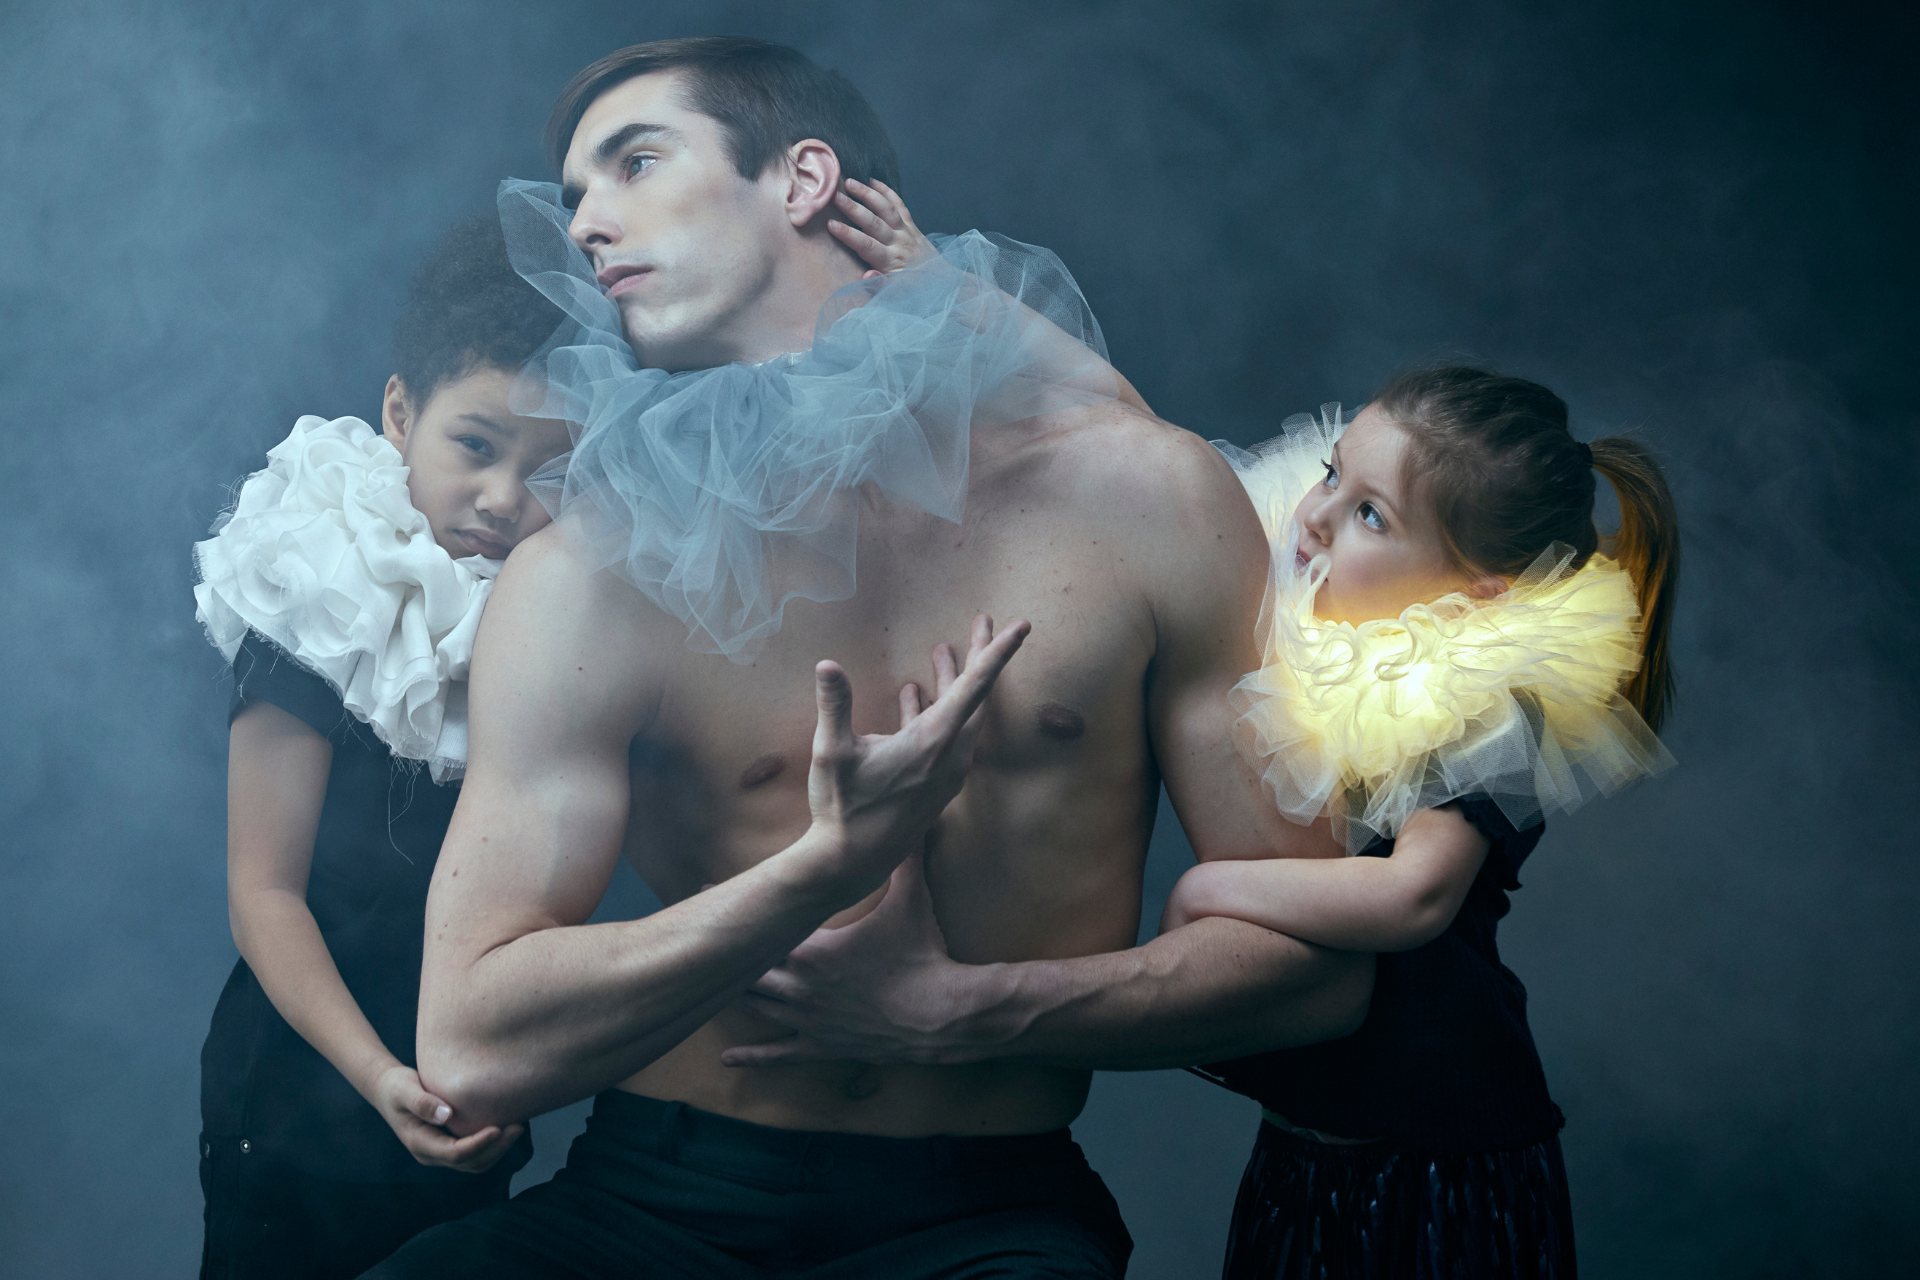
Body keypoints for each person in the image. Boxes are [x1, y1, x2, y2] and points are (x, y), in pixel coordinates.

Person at [371, 35, 1369, 1280]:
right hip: (651, 1198)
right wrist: (814, 869)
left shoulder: (1146, 494)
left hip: (986, 1212)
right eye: (573, 196)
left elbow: (1322, 972)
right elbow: (470, 1039)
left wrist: (973, 1013)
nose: (586, 224)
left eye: (634, 162)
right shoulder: (588, 567)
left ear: (800, 181)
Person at [742, 369, 1680, 1280]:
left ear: (1477, 596)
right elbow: (1161, 461)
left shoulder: (1477, 696)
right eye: (1331, 474)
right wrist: (937, 280)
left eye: (1369, 514)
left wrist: (1208, 887)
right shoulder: (1329, 613)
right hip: (1312, 1149)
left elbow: (1414, 894)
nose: (1314, 516)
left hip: (1437, 1153)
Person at [190, 212, 571, 1279]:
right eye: (477, 445)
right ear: (401, 413)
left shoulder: (549, 612)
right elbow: (263, 892)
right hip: (305, 1086)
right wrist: (379, 1075)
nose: (503, 497)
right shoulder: (321, 591)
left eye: (549, 466)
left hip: (469, 1088)